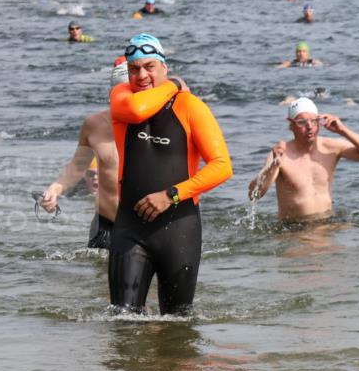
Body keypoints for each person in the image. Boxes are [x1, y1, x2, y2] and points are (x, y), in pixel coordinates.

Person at [108, 34, 232, 314]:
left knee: (178, 328)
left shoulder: (191, 107)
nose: (141, 75)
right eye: (134, 68)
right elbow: (138, 109)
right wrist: (174, 84)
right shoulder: (121, 97)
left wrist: (171, 195)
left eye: (150, 66)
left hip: (179, 228)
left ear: (164, 66)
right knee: (122, 323)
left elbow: (222, 166)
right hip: (130, 228)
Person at [39, 57, 127, 249]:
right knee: (98, 278)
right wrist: (54, 190)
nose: (127, 102)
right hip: (105, 223)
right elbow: (78, 165)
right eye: (121, 97)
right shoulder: (94, 124)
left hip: (148, 225)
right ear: (112, 95)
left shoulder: (158, 124)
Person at [247, 97, 359, 222]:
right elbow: (254, 194)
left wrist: (343, 130)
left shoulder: (331, 147)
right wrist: (273, 166)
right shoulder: (280, 153)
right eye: (302, 122)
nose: (309, 127)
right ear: (291, 125)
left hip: (327, 223)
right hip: (294, 231)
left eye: (314, 121)